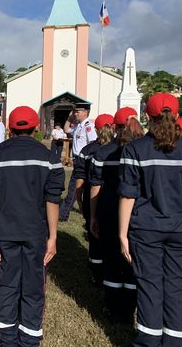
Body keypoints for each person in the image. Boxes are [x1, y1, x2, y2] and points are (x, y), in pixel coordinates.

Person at [0, 106, 64, 347]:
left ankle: (7, 337)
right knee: (34, 284)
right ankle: (29, 337)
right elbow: (52, 199)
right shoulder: (51, 159)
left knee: (7, 282)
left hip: (6, 231)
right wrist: (53, 237)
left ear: (9, 128)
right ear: (36, 127)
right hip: (36, 233)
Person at [117, 93, 182, 347]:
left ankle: (148, 339)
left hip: (145, 229)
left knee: (149, 285)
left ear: (147, 115)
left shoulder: (135, 149)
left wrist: (122, 234)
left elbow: (128, 195)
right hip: (181, 229)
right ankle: (176, 341)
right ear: (177, 116)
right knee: (178, 286)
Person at [90, 106, 143, 322]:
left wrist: (93, 216)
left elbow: (95, 186)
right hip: (135, 211)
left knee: (111, 260)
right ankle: (129, 307)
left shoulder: (102, 152)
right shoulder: (143, 149)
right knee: (132, 261)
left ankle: (112, 307)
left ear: (114, 126)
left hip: (110, 209)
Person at [73, 113, 114, 286]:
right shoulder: (120, 149)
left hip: (93, 198)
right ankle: (110, 269)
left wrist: (80, 200)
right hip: (112, 199)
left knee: (94, 236)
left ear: (96, 129)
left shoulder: (88, 150)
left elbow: (80, 179)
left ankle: (96, 273)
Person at [59, 103, 97, 221]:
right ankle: (86, 211)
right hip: (77, 159)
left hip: (83, 160)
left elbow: (93, 143)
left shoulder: (88, 125)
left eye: (78, 111)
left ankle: (63, 214)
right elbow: (66, 129)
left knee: (74, 188)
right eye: (75, 111)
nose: (76, 113)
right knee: (79, 188)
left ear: (85, 112)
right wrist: (70, 118)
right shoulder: (78, 125)